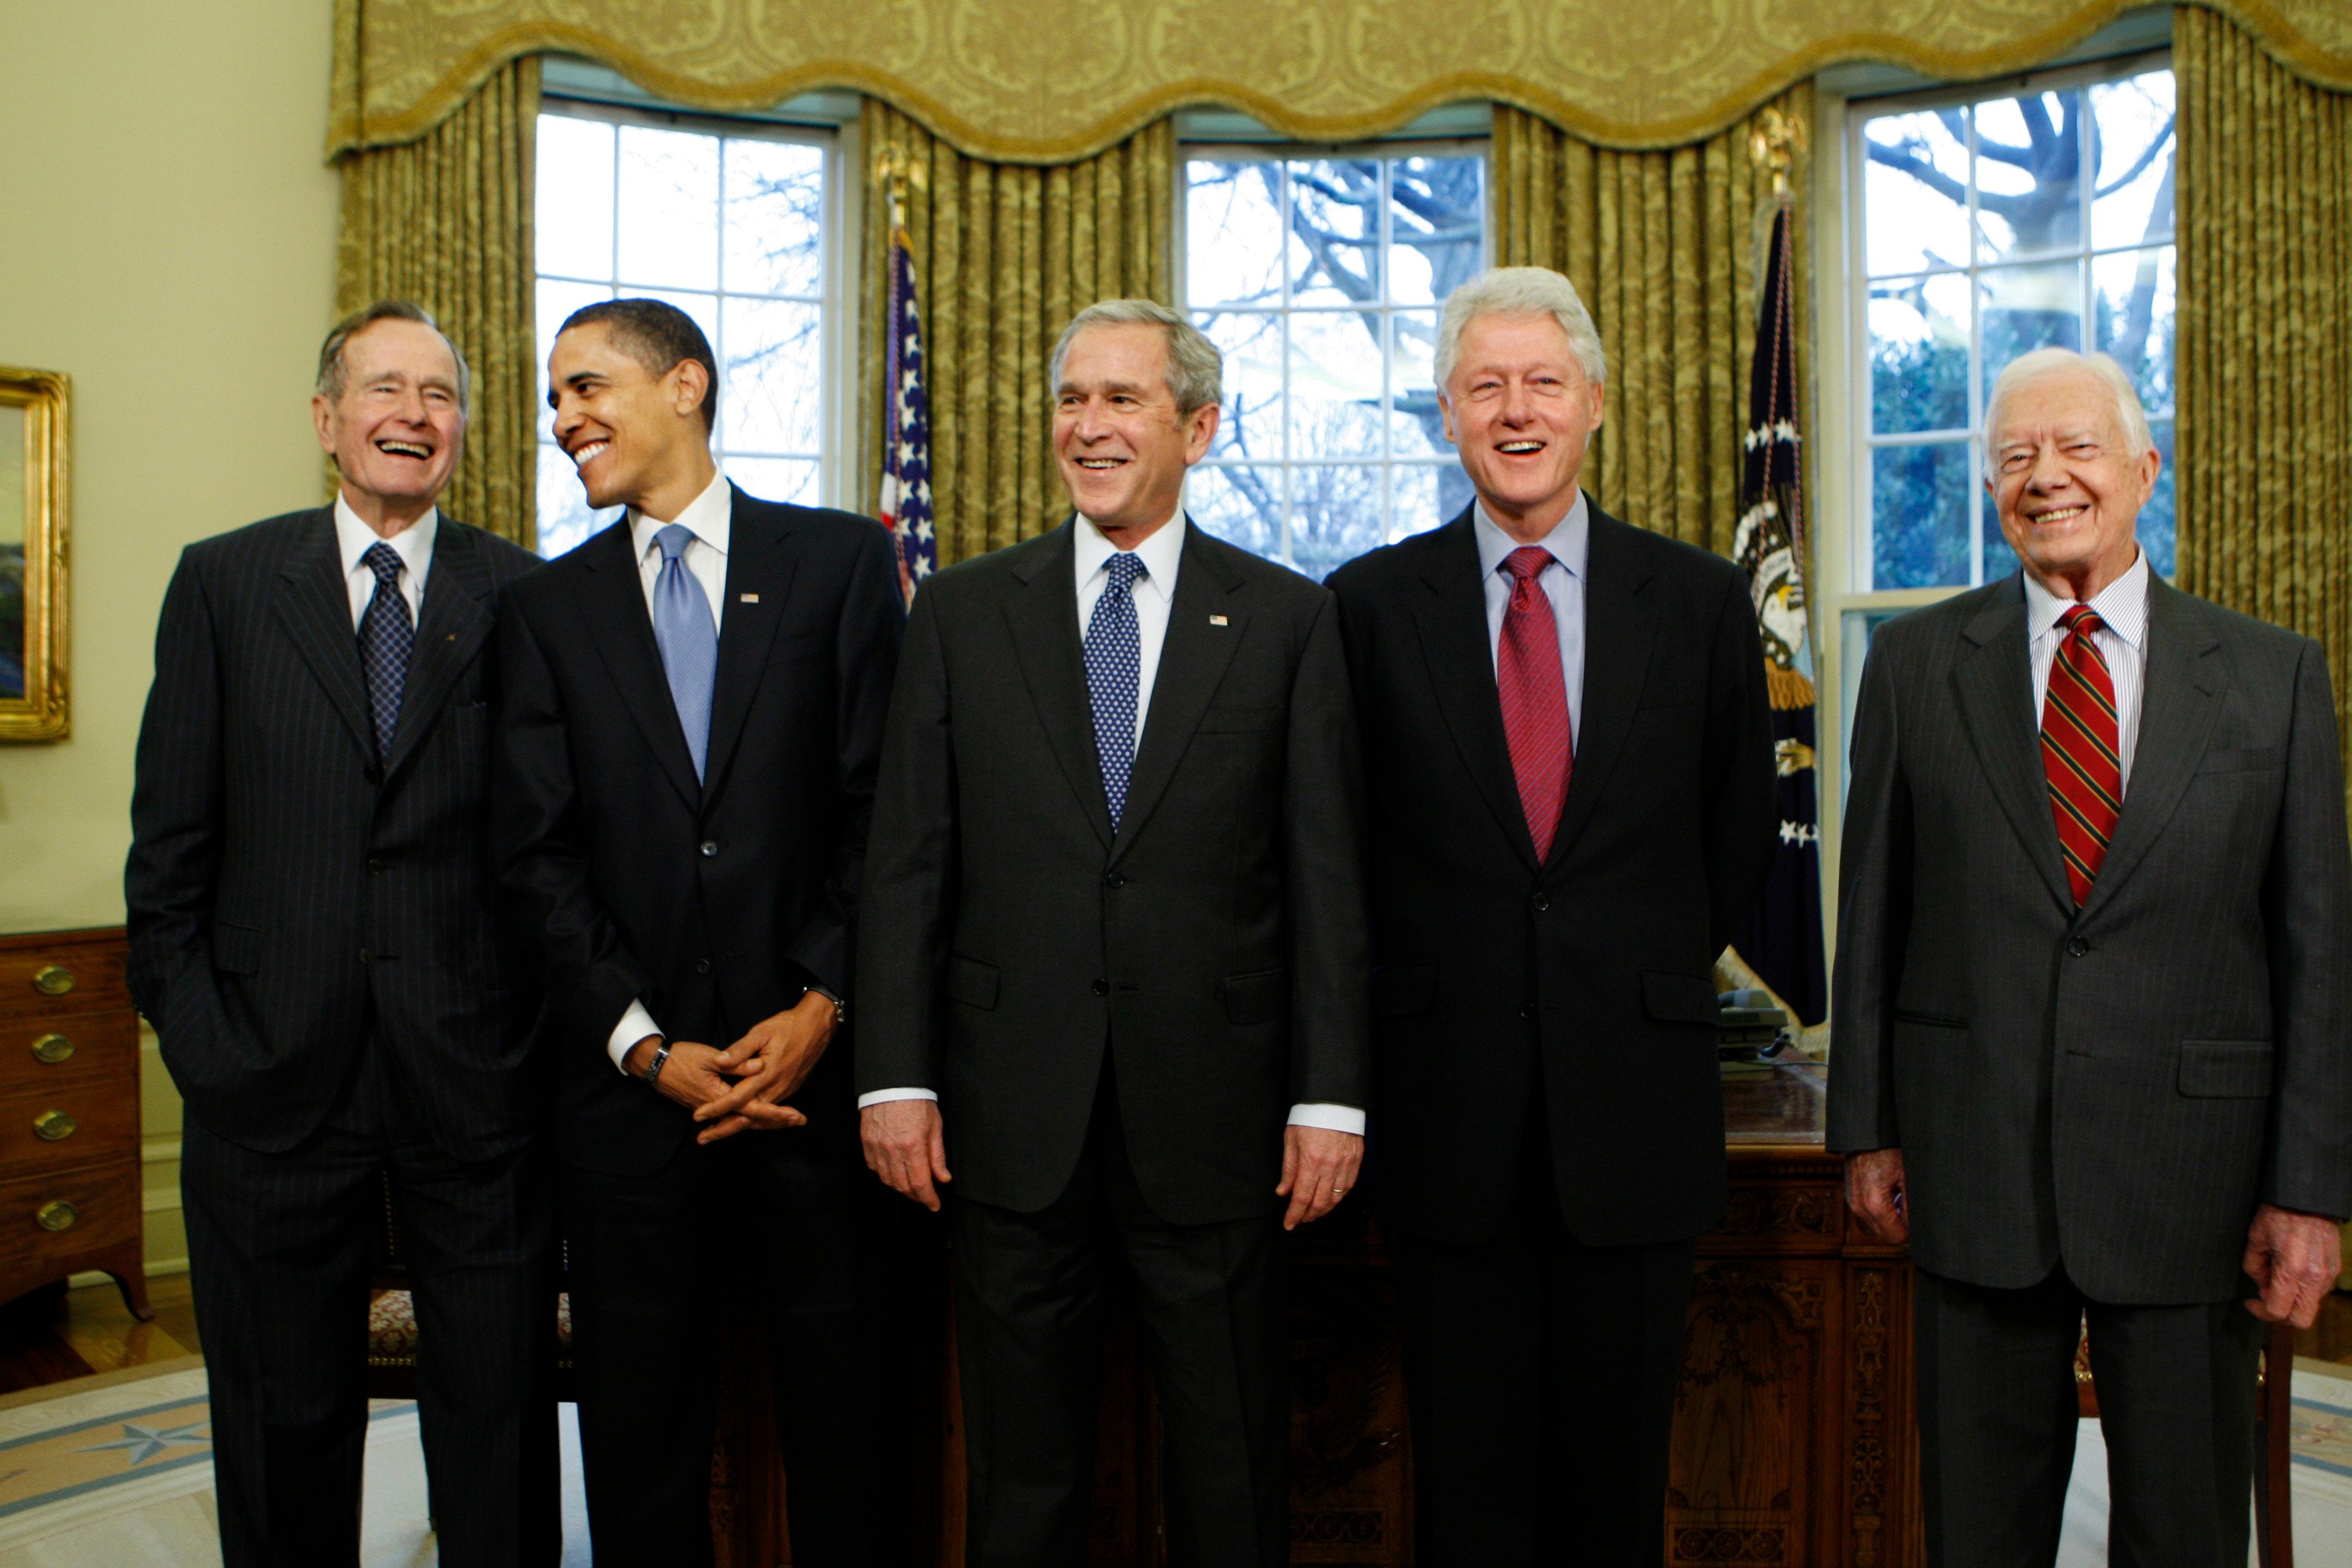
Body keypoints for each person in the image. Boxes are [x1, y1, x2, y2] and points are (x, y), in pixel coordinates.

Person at [856, 299, 1371, 1567]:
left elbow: (1326, 881)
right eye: (1072, 400)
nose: (1088, 427)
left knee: (1227, 1469)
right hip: (1006, 1120)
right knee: (1023, 1480)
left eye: (1122, 400)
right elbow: (909, 863)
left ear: (1198, 426)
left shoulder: (1287, 621)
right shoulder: (964, 614)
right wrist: (896, 1077)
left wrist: (1332, 1101)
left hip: (1218, 1120)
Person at [1829, 347, 2352, 1566]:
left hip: (2196, 1186)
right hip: (1972, 1175)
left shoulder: (2271, 678)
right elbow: (1876, 917)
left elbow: (2317, 952)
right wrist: (1868, 1126)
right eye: (2014, 457)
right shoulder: (1914, 668)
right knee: (1977, 1534)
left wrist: (2312, 1187)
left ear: (2143, 469)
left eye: (2076, 449)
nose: (2045, 478)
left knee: (2184, 1534)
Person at [1325, 266, 1778, 1564]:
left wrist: (1615, 972)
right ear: (1447, 416)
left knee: (1614, 1490)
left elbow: (1738, 829)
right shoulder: (1367, 608)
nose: (1514, 411)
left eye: (1541, 384)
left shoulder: (1694, 601)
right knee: (1465, 1494)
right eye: (1485, 387)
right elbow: (1341, 846)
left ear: (1593, 405)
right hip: (1443, 1118)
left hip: (1631, 1111)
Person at [125, 300, 556, 1566]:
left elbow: (552, 851)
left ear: (465, 431)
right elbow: (169, 854)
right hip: (269, 1082)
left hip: (477, 1087)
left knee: (497, 1426)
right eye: (384, 389)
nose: (411, 416)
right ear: (328, 419)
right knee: (279, 1423)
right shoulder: (224, 583)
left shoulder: (525, 595)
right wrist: (209, 1047)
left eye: (437, 396)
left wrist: (526, 1042)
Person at [494, 298, 907, 1567]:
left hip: (816, 1100)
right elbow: (534, 860)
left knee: (850, 1440)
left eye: (587, 387)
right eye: (555, 399)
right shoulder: (545, 613)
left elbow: (882, 815)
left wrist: (819, 1007)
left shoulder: (839, 563)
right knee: (641, 1449)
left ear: (686, 384)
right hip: (631, 1117)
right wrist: (643, 1046)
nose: (564, 419)